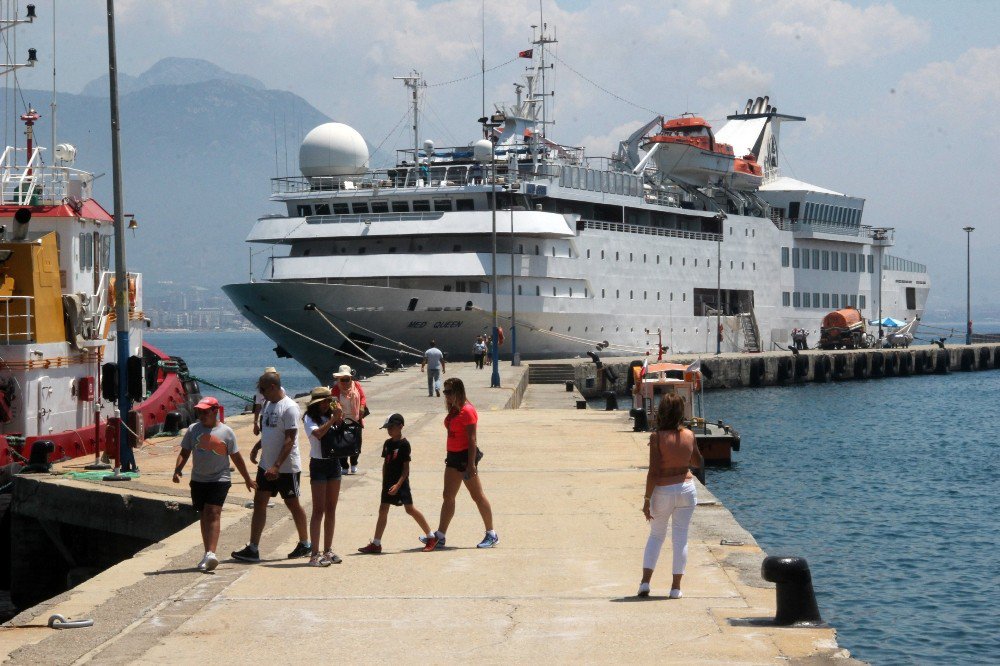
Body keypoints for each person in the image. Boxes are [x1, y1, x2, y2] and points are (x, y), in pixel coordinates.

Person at [232, 372, 311, 563]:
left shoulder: (290, 408)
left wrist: (276, 466)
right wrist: (257, 447)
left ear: (274, 387)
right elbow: (269, 431)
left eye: (263, 389)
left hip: (286, 467)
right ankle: (253, 547)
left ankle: (305, 543)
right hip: (266, 465)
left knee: (292, 503)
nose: (261, 393)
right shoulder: (267, 404)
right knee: (259, 502)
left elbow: (289, 439)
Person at [173, 396, 256, 572]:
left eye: (205, 412)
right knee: (204, 515)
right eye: (199, 412)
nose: (201, 415)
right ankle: (207, 553)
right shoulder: (193, 430)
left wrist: (247, 478)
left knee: (214, 512)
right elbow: (185, 451)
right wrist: (177, 468)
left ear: (215, 411)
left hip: (220, 479)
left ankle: (212, 552)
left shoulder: (226, 432)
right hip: (198, 479)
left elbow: (236, 457)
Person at [638, 393, 704, 599]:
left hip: (663, 491)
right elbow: (697, 462)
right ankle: (676, 588)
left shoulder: (657, 437)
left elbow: (654, 472)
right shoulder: (689, 435)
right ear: (680, 413)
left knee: (656, 536)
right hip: (686, 489)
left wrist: (647, 500)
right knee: (680, 538)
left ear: (662, 412)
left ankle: (645, 583)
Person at [421, 377, 498, 551]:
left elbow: (472, 439)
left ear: (458, 392)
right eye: (445, 392)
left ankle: (491, 533)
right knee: (448, 495)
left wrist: (471, 465)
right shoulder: (454, 410)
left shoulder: (467, 410)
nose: (446, 395)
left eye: (449, 392)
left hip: (465, 458)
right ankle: (440, 535)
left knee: (477, 496)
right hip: (452, 456)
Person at [357, 413, 435, 554]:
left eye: (391, 427)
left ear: (400, 426)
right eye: (387, 427)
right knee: (383, 510)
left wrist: (398, 485)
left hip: (401, 483)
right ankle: (376, 543)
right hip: (388, 483)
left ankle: (431, 537)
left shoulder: (404, 444)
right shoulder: (387, 444)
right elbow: (386, 464)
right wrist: (384, 482)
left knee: (410, 509)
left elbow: (406, 469)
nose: (389, 430)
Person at [302, 386, 344, 567]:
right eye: (325, 401)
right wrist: (333, 419)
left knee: (331, 508)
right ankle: (314, 554)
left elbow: (338, 433)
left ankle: (328, 550)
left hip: (333, 462)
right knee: (318, 509)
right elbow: (318, 434)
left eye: (330, 401)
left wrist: (338, 418)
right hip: (318, 463)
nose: (328, 404)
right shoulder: (309, 418)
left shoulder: (330, 415)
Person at [330, 364, 367, 475]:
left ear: (350, 378)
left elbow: (363, 397)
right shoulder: (336, 388)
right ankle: (344, 465)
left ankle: (354, 463)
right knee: (342, 443)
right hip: (342, 418)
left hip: (356, 418)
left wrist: (361, 407)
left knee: (356, 442)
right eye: (342, 379)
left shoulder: (357, 385)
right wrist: (337, 411)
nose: (345, 382)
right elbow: (333, 402)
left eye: (347, 379)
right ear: (338, 379)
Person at [252, 366, 279, 436]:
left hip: (276, 415)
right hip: (264, 416)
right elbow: (258, 406)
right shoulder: (260, 390)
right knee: (265, 437)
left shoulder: (280, 389)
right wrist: (255, 423)